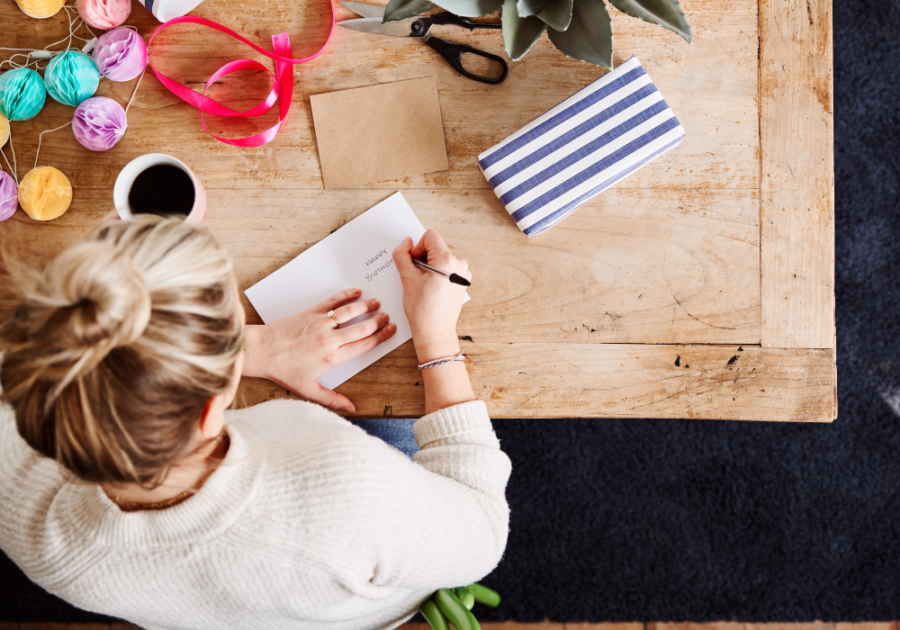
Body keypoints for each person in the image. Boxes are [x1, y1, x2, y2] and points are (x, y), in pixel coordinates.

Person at [0, 215, 511, 630]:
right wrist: (437, 336)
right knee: (391, 413)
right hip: (365, 588)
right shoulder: (344, 482)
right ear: (208, 408)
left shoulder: (47, 544)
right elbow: (483, 533)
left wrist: (257, 348)